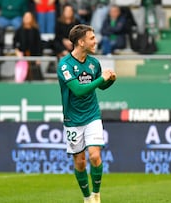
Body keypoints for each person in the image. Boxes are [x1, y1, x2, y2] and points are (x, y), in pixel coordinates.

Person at [56, 24, 116, 203]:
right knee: (80, 162)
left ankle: (96, 195)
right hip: (73, 119)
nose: (95, 41)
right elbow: (79, 90)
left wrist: (110, 80)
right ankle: (86, 197)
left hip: (92, 115)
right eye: (91, 38)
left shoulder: (93, 63)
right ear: (81, 42)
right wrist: (101, 79)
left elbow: (101, 86)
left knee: (95, 155)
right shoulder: (65, 65)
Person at [13, 11, 43, 81]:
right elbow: (15, 42)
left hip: (33, 57)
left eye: (28, 17)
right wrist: (17, 51)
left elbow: (39, 45)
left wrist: (38, 57)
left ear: (32, 19)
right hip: (22, 57)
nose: (27, 18)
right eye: (25, 17)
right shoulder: (19, 30)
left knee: (36, 77)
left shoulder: (35, 31)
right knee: (22, 77)